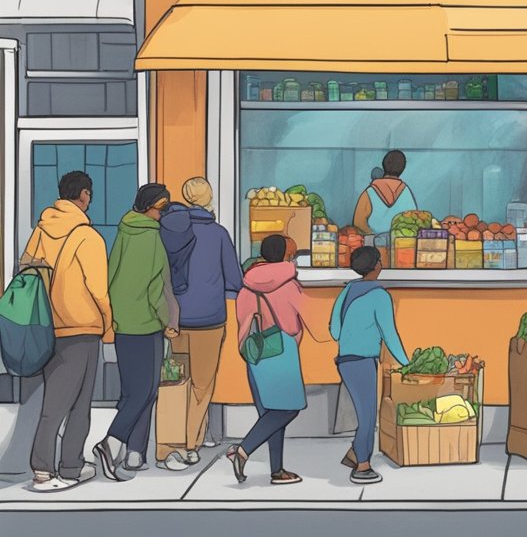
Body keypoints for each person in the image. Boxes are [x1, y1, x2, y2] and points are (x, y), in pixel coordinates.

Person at [22, 171, 110, 492]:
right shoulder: (89, 238)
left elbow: (26, 271)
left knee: (53, 400)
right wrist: (108, 324)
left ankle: (51, 467)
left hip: (46, 326)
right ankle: (62, 467)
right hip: (81, 327)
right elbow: (99, 289)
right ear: (84, 195)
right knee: (78, 403)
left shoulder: (41, 231)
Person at [156, 177, 243, 471]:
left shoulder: (169, 230)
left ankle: (177, 439)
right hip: (209, 319)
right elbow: (234, 279)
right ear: (209, 199)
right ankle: (190, 445)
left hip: (175, 317)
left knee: (177, 381)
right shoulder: (218, 234)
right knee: (202, 386)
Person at [93, 184, 178, 481]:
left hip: (122, 325)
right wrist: (169, 321)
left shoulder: (124, 232)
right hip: (146, 325)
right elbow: (158, 288)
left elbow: (111, 274)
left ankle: (135, 454)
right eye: (161, 209)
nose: (163, 214)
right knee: (146, 390)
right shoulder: (152, 239)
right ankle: (113, 442)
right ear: (150, 208)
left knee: (132, 390)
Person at [228, 235, 317, 485]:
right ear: (286, 257)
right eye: (293, 253)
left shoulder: (247, 285)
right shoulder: (289, 285)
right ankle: (242, 450)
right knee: (288, 409)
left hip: (254, 352)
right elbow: (296, 322)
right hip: (281, 352)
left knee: (269, 414)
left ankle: (277, 470)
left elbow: (242, 318)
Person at [331, 246, 410, 485]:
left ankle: (354, 453)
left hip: (345, 360)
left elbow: (334, 330)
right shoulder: (380, 295)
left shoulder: (346, 292)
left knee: (363, 412)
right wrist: (407, 363)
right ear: (376, 266)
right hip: (363, 360)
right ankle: (362, 466)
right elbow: (390, 334)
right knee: (367, 416)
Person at [353, 150, 417, 236]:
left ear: (384, 164)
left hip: (374, 246)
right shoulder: (406, 192)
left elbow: (358, 222)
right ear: (403, 169)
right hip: (400, 245)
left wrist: (373, 236)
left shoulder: (370, 192)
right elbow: (414, 222)